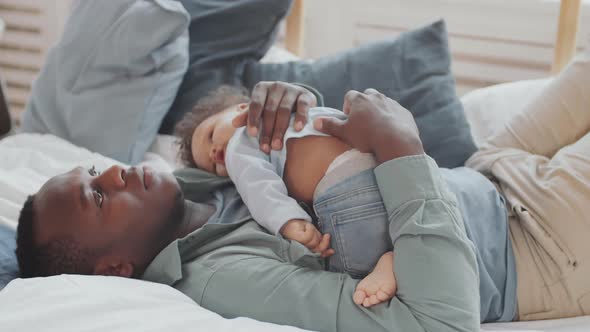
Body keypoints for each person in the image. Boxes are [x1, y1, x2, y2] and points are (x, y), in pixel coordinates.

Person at [15, 88, 481, 332]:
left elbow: (316, 166)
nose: (115, 173)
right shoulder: (226, 278)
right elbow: (437, 323)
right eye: (97, 197)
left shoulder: (191, 184)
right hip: (528, 244)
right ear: (116, 270)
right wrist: (400, 147)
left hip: (491, 175)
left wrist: (288, 104)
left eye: (95, 170)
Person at [174, 82, 512, 314]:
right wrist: (289, 221)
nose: (217, 151)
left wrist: (291, 223)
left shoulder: (248, 135)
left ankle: (394, 261)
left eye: (209, 137)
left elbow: (262, 188)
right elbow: (259, 186)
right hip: (376, 176)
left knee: (350, 252)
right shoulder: (245, 150)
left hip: (354, 192)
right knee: (356, 242)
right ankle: (392, 259)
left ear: (242, 108)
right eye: (210, 163)